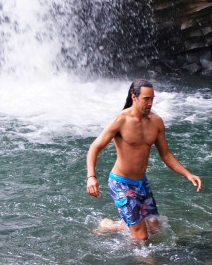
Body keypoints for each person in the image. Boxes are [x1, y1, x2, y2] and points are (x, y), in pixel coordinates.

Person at [86, 78, 202, 240]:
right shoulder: (120, 121)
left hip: (141, 183)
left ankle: (109, 225)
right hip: (121, 183)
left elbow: (165, 154)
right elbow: (94, 147)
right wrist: (91, 177)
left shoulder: (156, 122)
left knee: (154, 225)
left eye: (152, 99)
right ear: (134, 97)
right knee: (141, 237)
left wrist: (188, 174)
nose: (150, 103)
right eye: (146, 99)